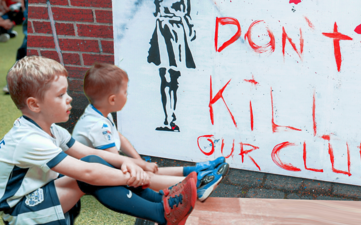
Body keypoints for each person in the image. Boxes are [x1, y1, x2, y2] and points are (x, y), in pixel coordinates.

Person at [0, 56, 198, 225]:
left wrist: (127, 161)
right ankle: (162, 214)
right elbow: (88, 171)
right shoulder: (29, 139)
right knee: (91, 175)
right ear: (34, 105)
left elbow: (90, 153)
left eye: (66, 92)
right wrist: (134, 177)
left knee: (94, 164)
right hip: (20, 211)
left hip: (42, 192)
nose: (69, 99)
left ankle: (161, 199)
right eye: (61, 95)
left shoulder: (52, 130)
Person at [72, 62, 229, 202]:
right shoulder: (97, 125)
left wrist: (140, 161)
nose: (127, 95)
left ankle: (196, 171)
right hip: (89, 179)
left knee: (148, 169)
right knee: (143, 176)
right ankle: (196, 184)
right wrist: (141, 166)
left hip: (101, 169)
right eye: (125, 92)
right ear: (112, 100)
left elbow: (119, 138)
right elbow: (116, 161)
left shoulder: (98, 113)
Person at [147, 0, 196, 132]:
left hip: (175, 31)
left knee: (173, 78)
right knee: (164, 77)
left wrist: (189, 29)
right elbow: (155, 10)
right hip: (162, 29)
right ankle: (168, 119)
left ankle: (171, 118)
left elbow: (186, 12)